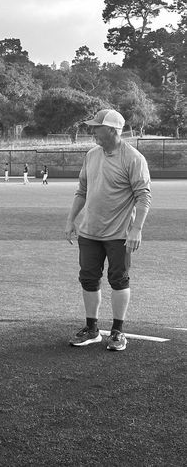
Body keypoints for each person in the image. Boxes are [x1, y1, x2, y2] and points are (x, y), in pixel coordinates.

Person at [65, 109, 151, 352]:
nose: (92, 131)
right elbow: (82, 190)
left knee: (119, 280)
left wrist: (137, 229)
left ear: (112, 130)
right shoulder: (92, 155)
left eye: (96, 127)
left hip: (119, 234)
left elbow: (143, 196)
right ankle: (92, 329)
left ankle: (117, 332)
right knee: (88, 279)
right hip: (89, 233)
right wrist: (71, 220)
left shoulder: (133, 158)